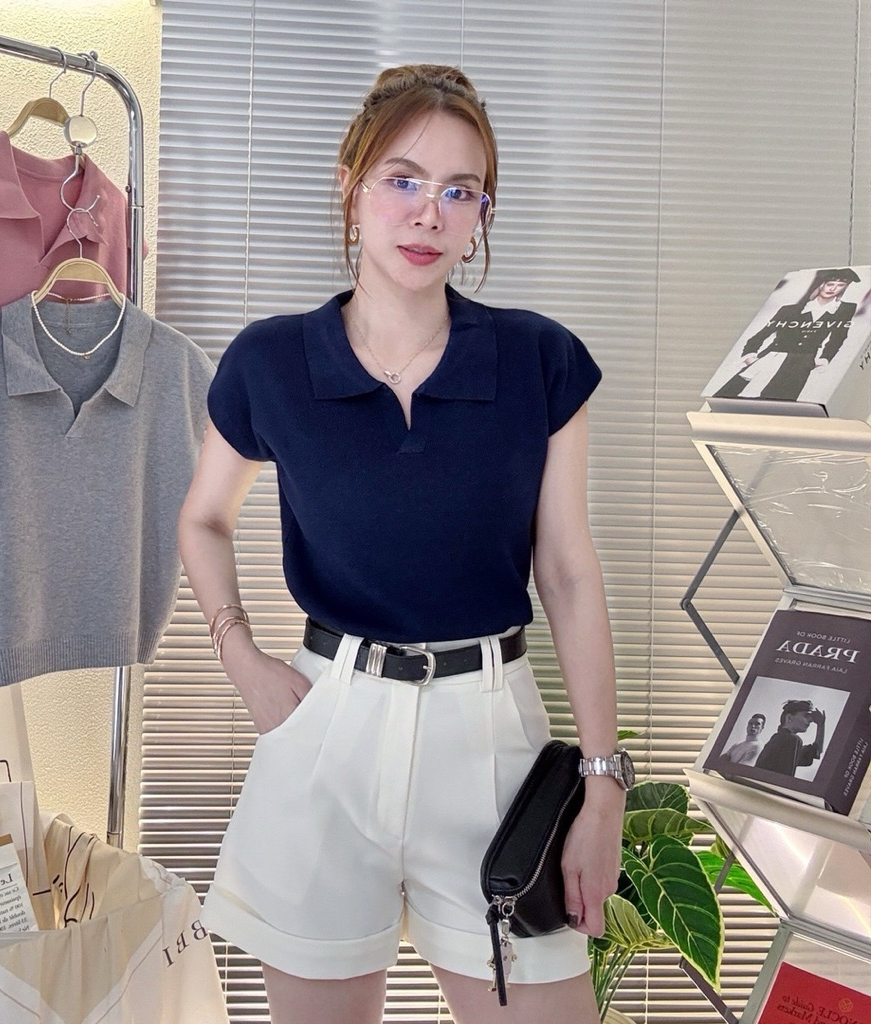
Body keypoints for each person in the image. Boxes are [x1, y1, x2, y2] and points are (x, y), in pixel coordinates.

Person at [178, 64, 625, 1024]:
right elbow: (203, 518)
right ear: (351, 184)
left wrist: (603, 784)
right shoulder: (270, 362)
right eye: (404, 179)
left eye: (461, 191)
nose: (430, 213)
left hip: (492, 741)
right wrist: (239, 654)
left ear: (482, 216)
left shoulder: (538, 360)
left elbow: (568, 573)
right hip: (325, 735)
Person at [715, 268, 861, 401]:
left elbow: (839, 336)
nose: (833, 289)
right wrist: (750, 354)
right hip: (771, 355)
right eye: (830, 284)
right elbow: (763, 333)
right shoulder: (790, 310)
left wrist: (824, 358)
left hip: (801, 363)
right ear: (821, 284)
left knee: (780, 403)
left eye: (840, 285)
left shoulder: (844, 309)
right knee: (731, 397)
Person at [754, 699, 826, 776]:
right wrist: (821, 725)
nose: (810, 720)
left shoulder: (778, 739)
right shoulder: (791, 740)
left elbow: (816, 751)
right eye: (805, 716)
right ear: (789, 718)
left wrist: (820, 725)